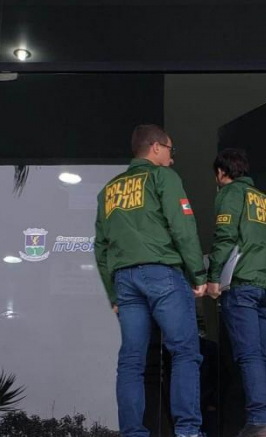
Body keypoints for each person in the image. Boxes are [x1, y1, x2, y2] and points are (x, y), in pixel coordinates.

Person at [94, 124, 207, 437]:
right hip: (162, 273)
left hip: (125, 281)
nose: (172, 158)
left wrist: (113, 294)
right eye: (171, 149)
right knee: (184, 352)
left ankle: (133, 433)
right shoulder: (163, 177)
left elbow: (100, 247)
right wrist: (198, 274)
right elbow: (182, 227)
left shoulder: (109, 190)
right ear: (156, 147)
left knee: (132, 361)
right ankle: (187, 431)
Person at [206, 149, 266, 437]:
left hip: (243, 285)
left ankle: (259, 420)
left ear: (221, 172)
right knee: (262, 357)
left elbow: (225, 236)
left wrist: (213, 278)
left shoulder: (230, 193)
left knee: (249, 355)